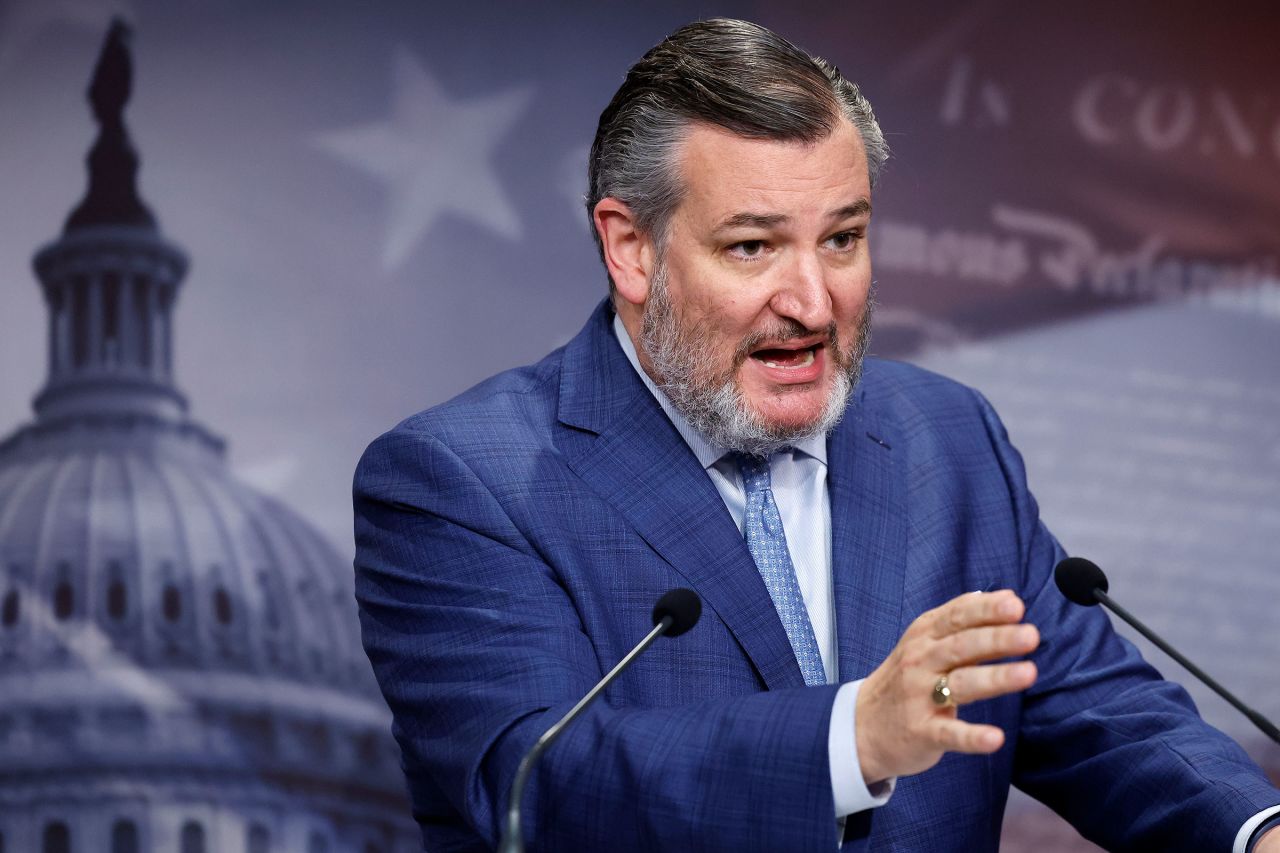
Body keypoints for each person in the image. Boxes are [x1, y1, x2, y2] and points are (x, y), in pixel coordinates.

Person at [353, 18, 1280, 852]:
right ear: (630, 248)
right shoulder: (462, 480)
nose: (812, 303)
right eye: (752, 247)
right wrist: (855, 735)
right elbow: (538, 785)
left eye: (842, 238)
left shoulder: (946, 439)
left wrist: (1255, 831)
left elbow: (1093, 705)